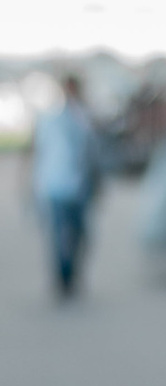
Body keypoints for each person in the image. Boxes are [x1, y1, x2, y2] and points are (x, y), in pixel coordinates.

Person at [33, 71, 103, 297]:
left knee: (80, 233)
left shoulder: (86, 118)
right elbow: (38, 151)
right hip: (55, 184)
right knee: (59, 234)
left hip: (80, 185)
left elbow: (94, 154)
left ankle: (72, 271)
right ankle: (63, 276)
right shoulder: (50, 118)